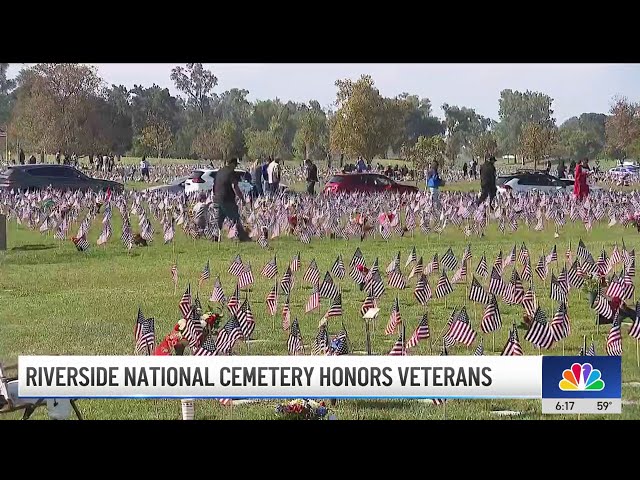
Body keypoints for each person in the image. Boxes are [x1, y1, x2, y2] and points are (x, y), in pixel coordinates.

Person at [213, 157, 250, 242]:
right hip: (227, 198)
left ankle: (215, 235)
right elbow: (235, 186)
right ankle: (242, 236)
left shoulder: (220, 171)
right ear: (232, 164)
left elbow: (214, 184)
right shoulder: (231, 172)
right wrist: (242, 199)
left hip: (217, 198)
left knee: (219, 219)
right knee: (235, 217)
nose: (235, 166)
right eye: (235, 165)